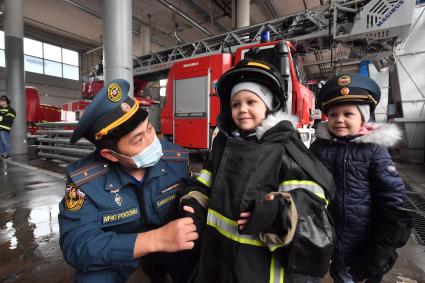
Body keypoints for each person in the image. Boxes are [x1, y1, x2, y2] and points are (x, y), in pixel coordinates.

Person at [179, 59, 336, 282]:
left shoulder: (284, 147)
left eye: (251, 101)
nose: (242, 109)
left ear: (269, 105)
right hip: (218, 257)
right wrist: (194, 203)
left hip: (257, 267)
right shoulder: (223, 144)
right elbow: (205, 182)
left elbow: (312, 199)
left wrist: (280, 212)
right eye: (236, 104)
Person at [58, 79, 199, 283]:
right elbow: (77, 246)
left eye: (149, 128)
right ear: (110, 155)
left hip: (172, 246)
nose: (153, 142)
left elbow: (193, 196)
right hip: (122, 253)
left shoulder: (175, 158)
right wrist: (154, 240)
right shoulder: (85, 180)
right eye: (138, 139)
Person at [310, 73, 413, 283]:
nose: (339, 119)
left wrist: (384, 242)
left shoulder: (374, 150)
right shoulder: (318, 148)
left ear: (363, 118)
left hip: (361, 240)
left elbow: (391, 195)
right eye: (333, 114)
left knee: (353, 276)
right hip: (327, 234)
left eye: (348, 114)